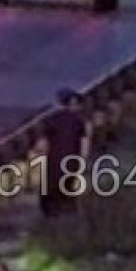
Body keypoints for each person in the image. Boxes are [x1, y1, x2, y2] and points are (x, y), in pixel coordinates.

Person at [38, 90, 89, 219]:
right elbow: (84, 143)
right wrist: (83, 160)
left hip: (53, 161)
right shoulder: (79, 121)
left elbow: (42, 145)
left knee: (49, 188)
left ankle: (50, 214)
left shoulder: (50, 119)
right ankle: (66, 213)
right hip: (72, 161)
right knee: (67, 188)